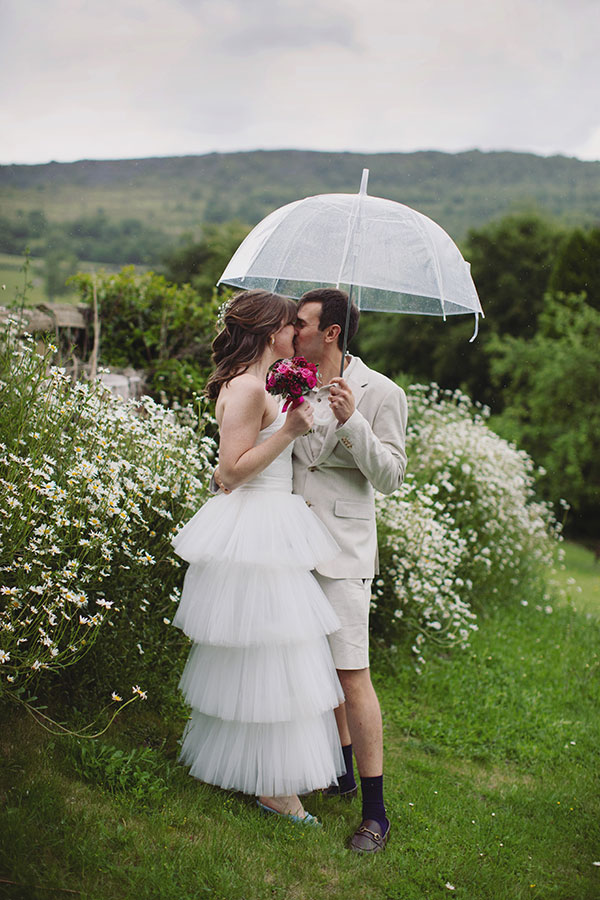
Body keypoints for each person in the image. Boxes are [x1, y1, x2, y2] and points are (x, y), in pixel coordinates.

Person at [171, 289, 345, 825]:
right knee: (277, 656)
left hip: (271, 522)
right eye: (292, 325)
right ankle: (275, 788)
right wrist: (290, 428)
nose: (299, 331)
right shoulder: (247, 387)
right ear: (273, 332)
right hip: (259, 526)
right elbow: (229, 472)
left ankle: (264, 772)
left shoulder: (260, 383)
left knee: (268, 655)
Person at [292, 288, 408, 853]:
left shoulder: (382, 392)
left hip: (343, 552)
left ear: (331, 332)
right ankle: (330, 770)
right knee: (299, 662)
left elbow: (389, 477)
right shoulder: (288, 378)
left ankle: (375, 812)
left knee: (349, 673)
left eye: (303, 325)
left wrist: (352, 421)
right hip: (289, 545)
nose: (295, 333)